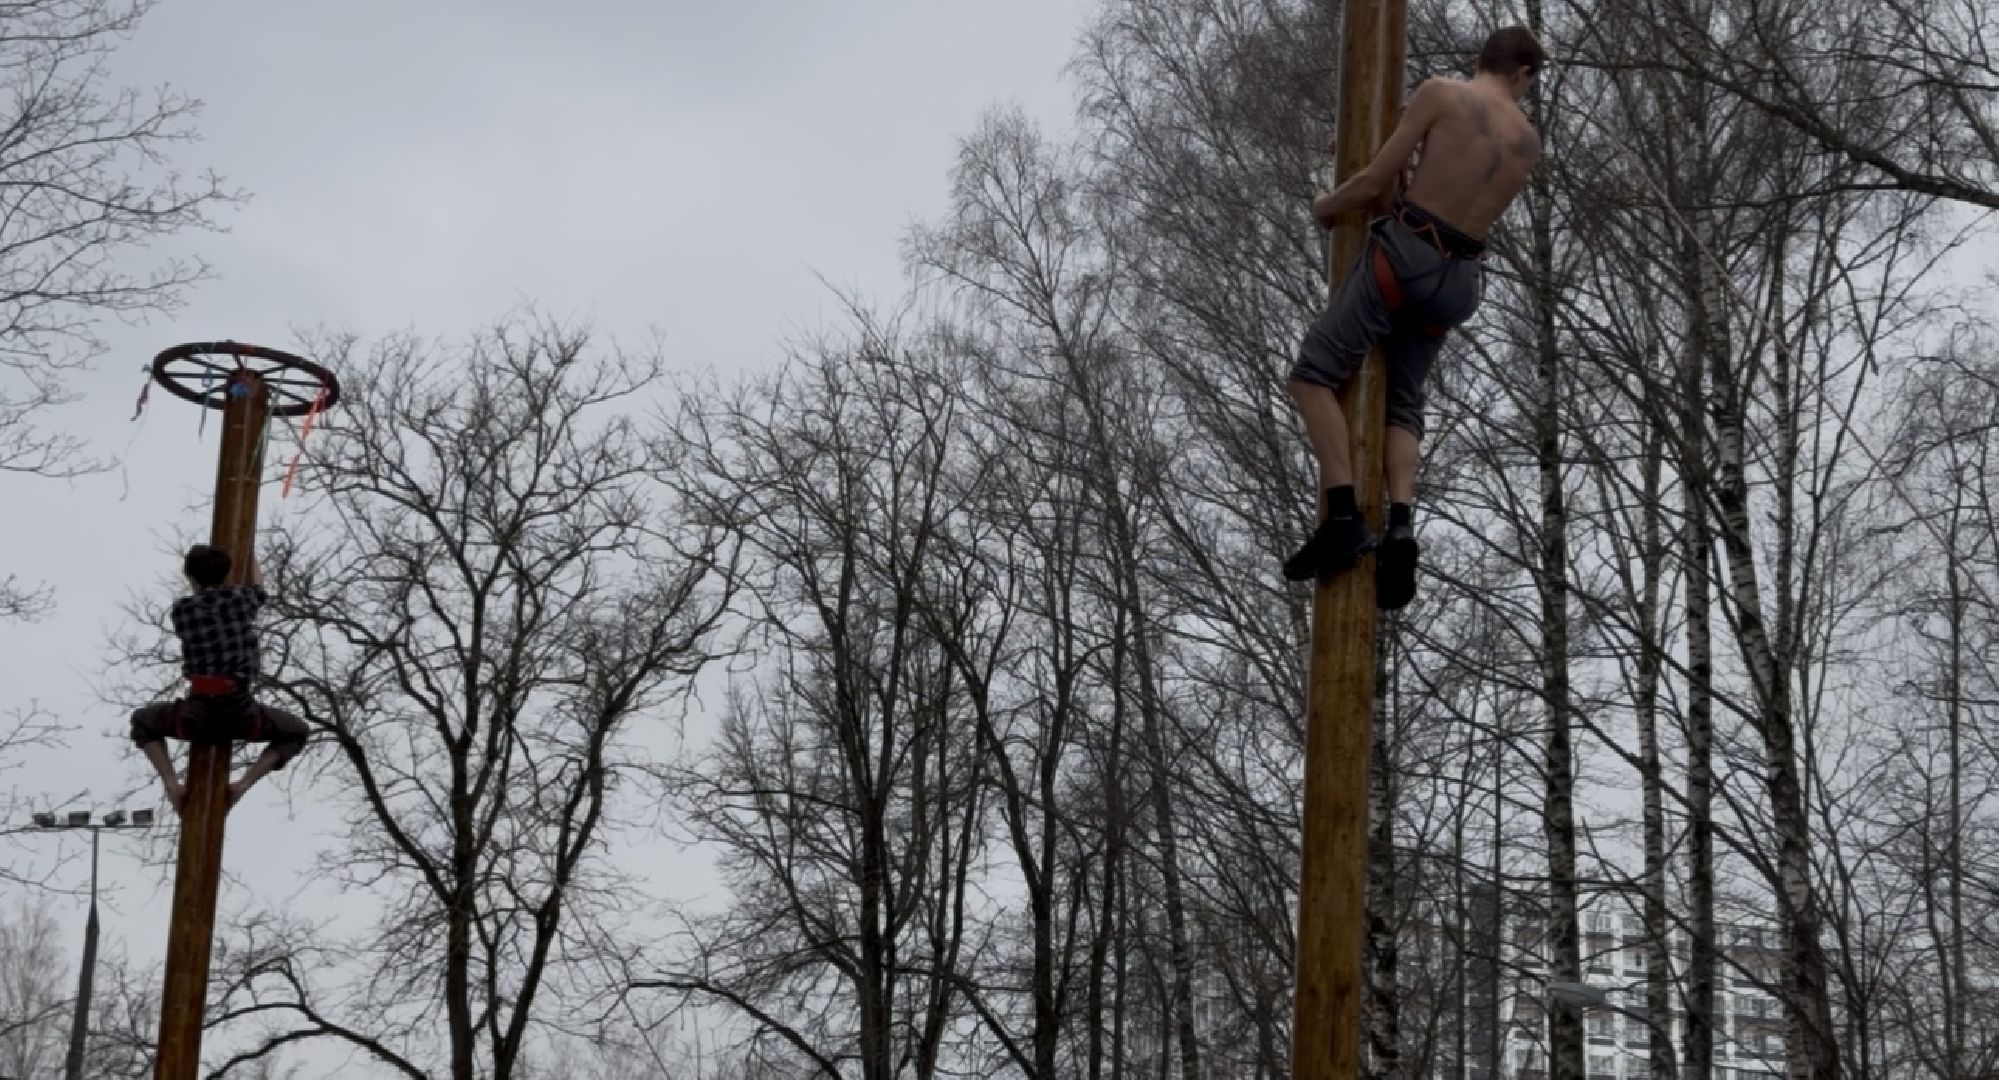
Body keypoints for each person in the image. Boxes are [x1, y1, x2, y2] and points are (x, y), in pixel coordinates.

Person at [1284, 26, 1547, 608]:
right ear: (1523, 74)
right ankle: (1400, 523)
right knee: (1403, 403)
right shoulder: (1528, 141)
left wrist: (1326, 209)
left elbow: (1375, 181)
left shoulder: (1442, 93)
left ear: (1486, 61)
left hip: (1405, 257)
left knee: (1314, 375)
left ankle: (1344, 517)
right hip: (1459, 280)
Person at [132, 544, 308, 810]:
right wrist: (248, 549)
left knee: (143, 722)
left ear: (190, 578)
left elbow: (204, 597)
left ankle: (171, 783)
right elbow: (258, 585)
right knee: (297, 731)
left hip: (195, 715)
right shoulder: (241, 600)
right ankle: (243, 783)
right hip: (239, 714)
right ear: (227, 576)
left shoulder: (182, 611)